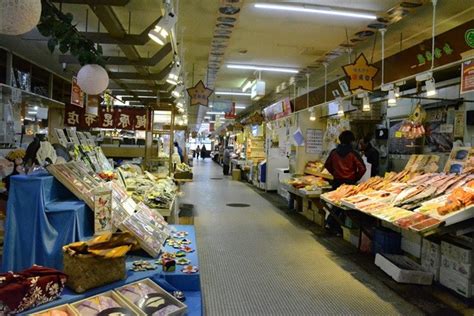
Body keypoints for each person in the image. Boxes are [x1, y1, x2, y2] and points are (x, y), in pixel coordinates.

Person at [324, 130, 367, 235]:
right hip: (349, 184)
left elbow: (327, 165)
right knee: (344, 207)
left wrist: (334, 173)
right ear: (351, 141)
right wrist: (355, 178)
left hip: (337, 182)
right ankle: (335, 226)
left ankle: (333, 226)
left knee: (336, 205)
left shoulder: (334, 152)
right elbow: (362, 168)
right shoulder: (353, 154)